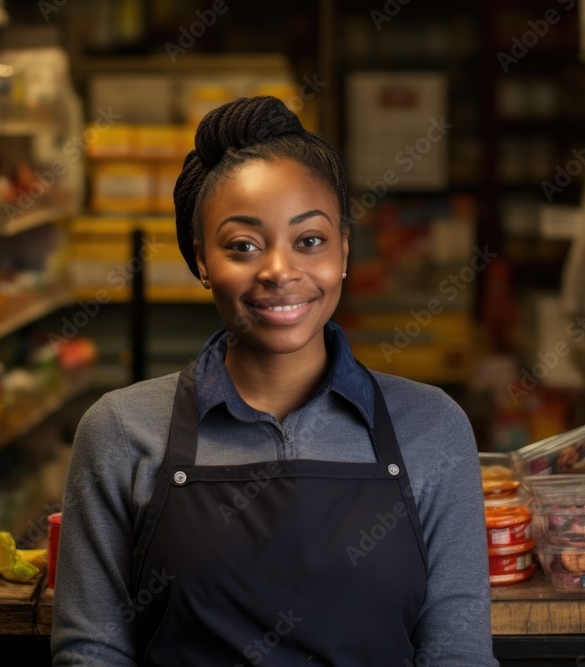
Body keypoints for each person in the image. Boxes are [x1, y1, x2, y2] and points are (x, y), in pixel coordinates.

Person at [51, 96, 498, 666]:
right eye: (243, 246)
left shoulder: (432, 426)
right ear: (201, 260)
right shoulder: (120, 430)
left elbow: (457, 653)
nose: (279, 271)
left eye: (309, 241)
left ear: (342, 252)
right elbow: (92, 653)